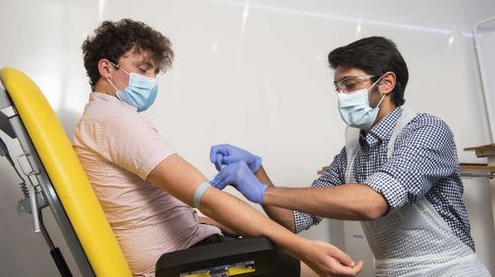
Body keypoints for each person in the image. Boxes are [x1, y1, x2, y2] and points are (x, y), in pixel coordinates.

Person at [73, 19, 363, 277]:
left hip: (187, 246)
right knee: (316, 269)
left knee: (278, 247)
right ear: (106, 68)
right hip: (178, 260)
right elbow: (206, 197)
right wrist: (306, 250)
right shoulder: (116, 121)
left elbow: (155, 207)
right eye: (142, 69)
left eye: (154, 72)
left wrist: (215, 223)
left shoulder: (100, 119)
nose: (150, 80)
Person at [209, 36, 491, 276]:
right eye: (338, 87)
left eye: (350, 85)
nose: (341, 95)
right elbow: (294, 220)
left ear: (386, 83)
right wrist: (257, 170)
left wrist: (262, 192)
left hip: (448, 270)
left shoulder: (426, 130)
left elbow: (372, 202)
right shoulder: (352, 152)